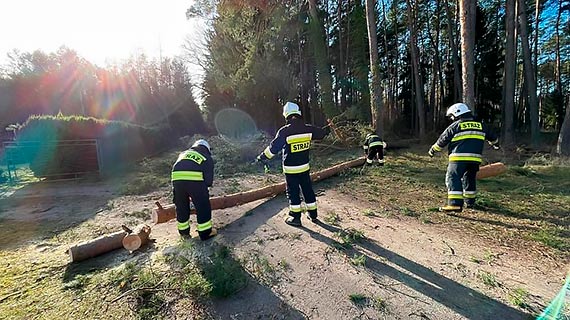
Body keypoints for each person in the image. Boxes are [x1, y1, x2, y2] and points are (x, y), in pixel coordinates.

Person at [256, 102, 326, 226]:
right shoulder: (308, 128)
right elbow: (321, 133)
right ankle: (313, 214)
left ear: (286, 115)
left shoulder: (285, 131)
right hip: (305, 167)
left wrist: (262, 157)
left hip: (291, 170)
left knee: (293, 192)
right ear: (298, 113)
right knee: (307, 189)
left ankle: (295, 218)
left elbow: (273, 149)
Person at [429, 103, 499, 212]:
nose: (452, 119)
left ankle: (454, 204)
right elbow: (494, 138)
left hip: (458, 159)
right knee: (469, 179)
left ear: (457, 114)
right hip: (475, 159)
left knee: (453, 177)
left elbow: (442, 141)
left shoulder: (456, 126)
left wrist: (433, 150)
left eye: (452, 116)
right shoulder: (481, 125)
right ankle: (470, 202)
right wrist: (495, 144)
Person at [171, 139, 216, 240]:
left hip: (176, 180)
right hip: (195, 181)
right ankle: (205, 233)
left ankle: (184, 233)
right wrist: (202, 190)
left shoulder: (183, 153)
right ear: (207, 149)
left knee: (181, 206)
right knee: (202, 206)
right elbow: (208, 180)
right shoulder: (206, 157)